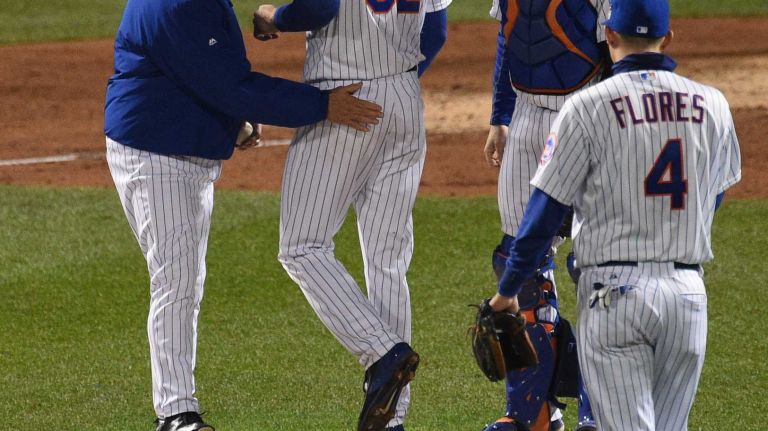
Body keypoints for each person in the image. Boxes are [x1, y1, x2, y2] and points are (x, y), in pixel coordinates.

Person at [104, 0, 384, 429]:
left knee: (182, 279)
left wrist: (233, 123)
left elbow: (198, 73)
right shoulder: (177, 5)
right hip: (155, 151)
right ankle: (175, 413)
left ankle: (176, 409)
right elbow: (229, 84)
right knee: (176, 279)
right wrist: (321, 105)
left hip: (174, 143)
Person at [485, 0, 742, 429]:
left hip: (616, 295)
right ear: (669, 38)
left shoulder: (589, 108)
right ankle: (533, 413)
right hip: (687, 295)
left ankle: (583, 413)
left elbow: (542, 215)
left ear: (609, 35)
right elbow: (712, 195)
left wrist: (506, 288)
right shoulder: (712, 103)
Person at [251, 0, 449, 430]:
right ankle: (392, 418)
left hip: (345, 98)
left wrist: (271, 17)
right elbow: (436, 31)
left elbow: (318, 7)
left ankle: (383, 351)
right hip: (404, 97)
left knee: (301, 247)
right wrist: (396, 84)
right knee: (388, 262)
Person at [481, 0, 612, 429]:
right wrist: (499, 116)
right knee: (518, 263)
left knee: (597, 265)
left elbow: (618, 46)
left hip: (589, 110)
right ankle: (532, 413)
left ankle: (599, 414)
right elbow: (511, 33)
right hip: (525, 115)